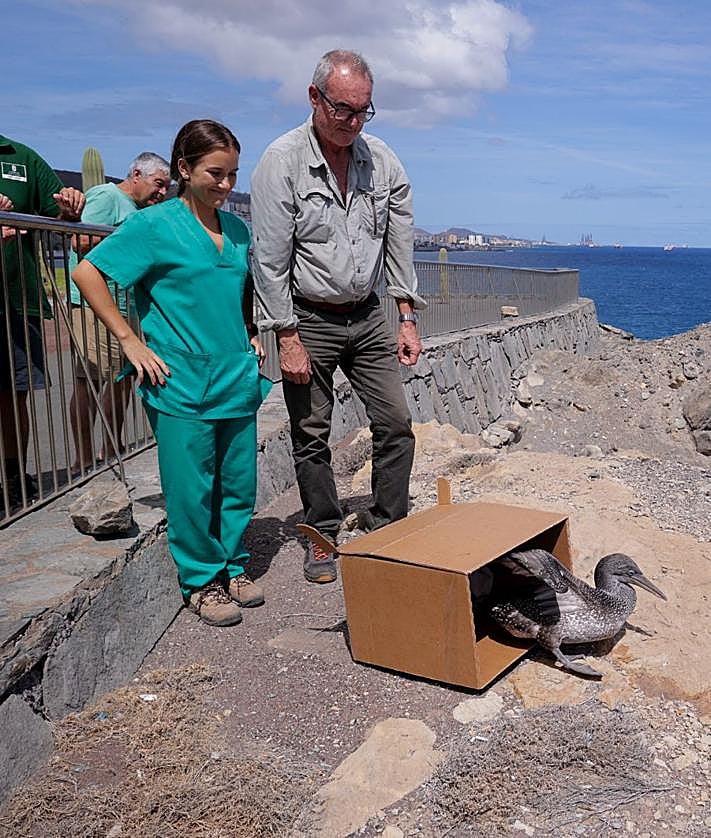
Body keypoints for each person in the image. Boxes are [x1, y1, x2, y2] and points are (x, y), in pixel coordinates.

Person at [73, 120, 271, 627]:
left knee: (237, 482)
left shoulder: (238, 231)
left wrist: (249, 332)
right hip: (180, 379)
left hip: (234, 374)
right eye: (215, 173)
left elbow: (235, 290)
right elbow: (88, 272)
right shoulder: (154, 225)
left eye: (232, 174)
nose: (226, 185)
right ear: (184, 168)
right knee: (190, 488)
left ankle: (232, 565)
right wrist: (129, 340)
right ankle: (201, 581)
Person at [250, 49, 425, 585]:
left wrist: (406, 315)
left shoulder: (383, 160)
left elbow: (399, 241)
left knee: (395, 424)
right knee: (311, 434)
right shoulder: (281, 162)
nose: (352, 122)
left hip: (368, 314)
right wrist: (286, 336)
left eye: (363, 110)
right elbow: (269, 260)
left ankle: (386, 522)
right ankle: (322, 534)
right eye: (342, 109)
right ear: (314, 97)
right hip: (309, 318)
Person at [68, 152, 171, 474]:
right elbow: (79, 241)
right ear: (136, 174)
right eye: (158, 183)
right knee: (92, 380)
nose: (162, 192)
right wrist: (125, 239)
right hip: (94, 303)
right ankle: (84, 458)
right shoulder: (107, 196)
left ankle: (112, 447)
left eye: (166, 187)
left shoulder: (137, 209)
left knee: (122, 378)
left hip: (124, 303)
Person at [0, 133, 85, 508]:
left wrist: (71, 206)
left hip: (17, 299)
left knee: (14, 393)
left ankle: (14, 476)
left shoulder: (20, 157)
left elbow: (59, 214)